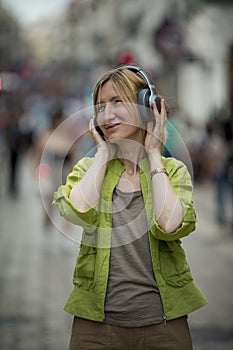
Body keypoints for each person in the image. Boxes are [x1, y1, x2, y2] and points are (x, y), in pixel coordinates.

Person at [53, 66, 207, 350]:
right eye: (100, 106)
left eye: (117, 102)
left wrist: (153, 154)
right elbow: (75, 211)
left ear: (146, 106)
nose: (106, 114)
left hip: (164, 324)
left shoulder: (172, 171)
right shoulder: (89, 168)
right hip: (95, 327)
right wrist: (101, 154)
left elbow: (171, 226)